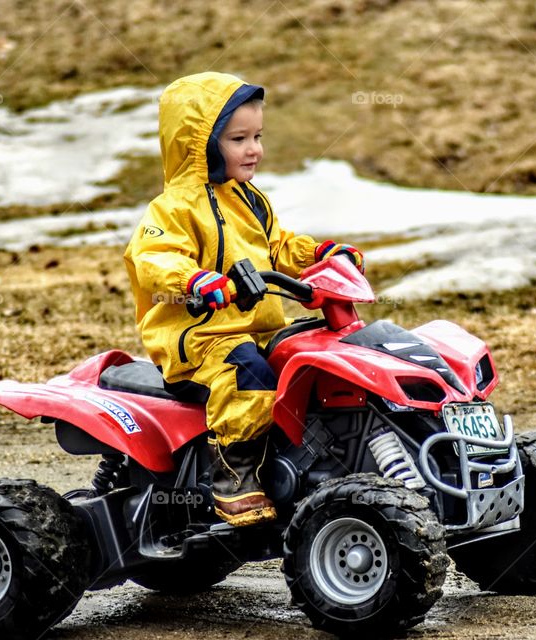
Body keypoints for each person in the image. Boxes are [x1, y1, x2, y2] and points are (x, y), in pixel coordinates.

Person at [124, 72, 363, 527]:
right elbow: (153, 257)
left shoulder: (250, 199)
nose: (254, 149)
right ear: (202, 144)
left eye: (257, 136)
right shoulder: (172, 208)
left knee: (309, 361)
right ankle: (234, 475)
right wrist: (196, 281)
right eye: (239, 139)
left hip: (259, 328)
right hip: (200, 338)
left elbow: (278, 245)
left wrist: (319, 254)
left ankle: (319, 464)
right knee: (248, 374)